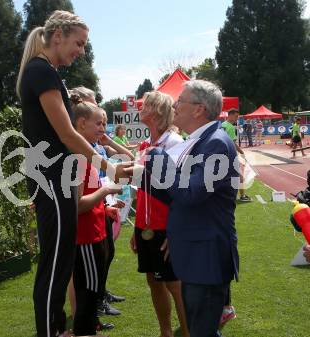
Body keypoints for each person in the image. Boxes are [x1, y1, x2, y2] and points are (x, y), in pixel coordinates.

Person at [16, 10, 131, 337]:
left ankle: (55, 328)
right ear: (58, 36)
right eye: (78, 43)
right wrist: (108, 166)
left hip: (56, 178)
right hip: (52, 179)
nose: (81, 50)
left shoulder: (45, 72)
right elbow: (67, 134)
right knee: (54, 266)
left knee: (61, 262)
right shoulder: (41, 72)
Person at [141, 80, 240, 337]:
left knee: (201, 331)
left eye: (180, 101)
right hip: (196, 253)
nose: (175, 105)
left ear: (198, 109)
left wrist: (158, 159)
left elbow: (190, 193)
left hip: (205, 258)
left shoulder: (215, 142)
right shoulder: (200, 140)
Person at [129, 91, 189, 337]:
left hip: (167, 228)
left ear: (158, 110)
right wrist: (136, 227)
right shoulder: (145, 145)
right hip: (145, 225)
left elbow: (183, 193)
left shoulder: (175, 143)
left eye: (147, 104)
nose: (141, 107)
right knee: (153, 282)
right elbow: (140, 190)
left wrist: (176, 232)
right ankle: (165, 332)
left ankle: (187, 332)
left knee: (175, 285)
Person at [70, 95, 121, 337]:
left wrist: (105, 207)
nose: (103, 129)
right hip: (86, 239)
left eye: (104, 124)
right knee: (88, 297)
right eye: (98, 124)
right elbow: (77, 205)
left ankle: (91, 328)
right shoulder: (78, 157)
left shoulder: (87, 153)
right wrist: (106, 191)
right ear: (81, 124)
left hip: (95, 232)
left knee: (91, 296)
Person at [221, 109, 251, 202]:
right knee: (240, 176)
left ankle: (230, 195)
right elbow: (233, 143)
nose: (237, 119)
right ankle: (242, 196)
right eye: (236, 116)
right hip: (231, 155)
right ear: (230, 115)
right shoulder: (230, 127)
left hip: (222, 155)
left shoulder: (222, 125)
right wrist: (241, 152)